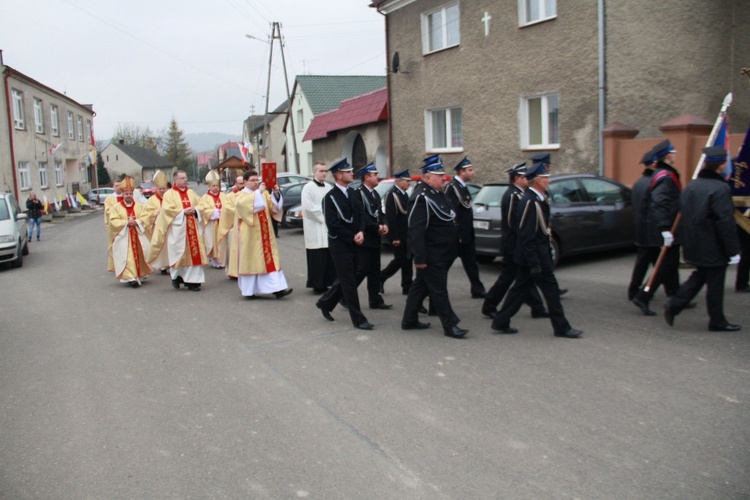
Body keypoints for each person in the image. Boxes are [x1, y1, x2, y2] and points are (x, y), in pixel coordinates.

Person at [490, 156, 582, 338]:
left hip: (533, 256)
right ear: (538, 181)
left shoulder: (538, 199)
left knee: (519, 290)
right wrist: (534, 263)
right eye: (546, 178)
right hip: (535, 256)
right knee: (551, 291)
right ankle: (561, 327)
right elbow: (527, 235)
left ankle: (500, 321)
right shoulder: (530, 202)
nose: (549, 181)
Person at [664, 146, 741, 331]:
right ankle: (717, 321)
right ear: (721, 166)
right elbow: (724, 222)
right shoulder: (720, 188)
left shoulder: (692, 186)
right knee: (714, 284)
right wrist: (733, 250)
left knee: (700, 275)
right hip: (713, 245)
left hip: (694, 242)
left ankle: (675, 303)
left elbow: (683, 213)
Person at [402, 155, 467, 338]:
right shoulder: (421, 197)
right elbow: (416, 231)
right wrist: (420, 258)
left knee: (420, 287)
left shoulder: (438, 194)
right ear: (427, 177)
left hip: (443, 252)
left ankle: (409, 320)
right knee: (439, 290)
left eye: (443, 175)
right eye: (439, 176)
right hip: (432, 254)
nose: (443, 179)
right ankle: (450, 325)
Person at [481, 162, 547, 319]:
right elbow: (512, 224)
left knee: (524, 278)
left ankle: (537, 307)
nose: (527, 180)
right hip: (513, 244)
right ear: (517, 178)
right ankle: (489, 305)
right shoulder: (512, 195)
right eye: (524, 177)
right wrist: (519, 244)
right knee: (508, 277)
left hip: (519, 245)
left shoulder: (520, 194)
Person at [315, 158, 373, 330]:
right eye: (348, 172)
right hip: (340, 246)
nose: (352, 174)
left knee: (349, 277)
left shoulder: (353, 193)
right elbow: (334, 225)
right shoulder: (330, 198)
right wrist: (352, 236)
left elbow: (361, 215)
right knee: (349, 282)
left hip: (356, 242)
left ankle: (325, 302)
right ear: (339, 175)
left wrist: (361, 231)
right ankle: (359, 319)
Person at [632, 140, 682, 315]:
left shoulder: (666, 174)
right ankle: (643, 295)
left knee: (668, 265)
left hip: (668, 227)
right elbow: (659, 203)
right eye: (673, 151)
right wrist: (664, 228)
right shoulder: (664, 176)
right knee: (665, 266)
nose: (676, 154)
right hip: (666, 228)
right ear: (668, 156)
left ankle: (675, 296)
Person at [226, 170, 292, 298]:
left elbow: (274, 209)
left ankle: (278, 289)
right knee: (252, 261)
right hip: (249, 234)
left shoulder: (263, 193)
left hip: (265, 234)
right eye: (252, 180)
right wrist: (258, 193)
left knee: (270, 261)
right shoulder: (240, 195)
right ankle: (249, 291)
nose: (256, 183)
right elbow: (244, 208)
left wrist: (276, 193)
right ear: (245, 182)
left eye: (257, 180)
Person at [148, 170, 208, 291]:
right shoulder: (169, 194)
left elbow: (203, 205)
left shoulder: (191, 193)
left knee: (194, 253)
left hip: (192, 230)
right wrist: (182, 212)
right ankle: (177, 277)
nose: (185, 180)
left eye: (186, 178)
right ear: (175, 180)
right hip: (178, 230)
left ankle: (194, 281)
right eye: (182, 178)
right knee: (178, 254)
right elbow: (166, 210)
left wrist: (195, 210)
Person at [444, 157, 486, 298]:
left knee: (471, 263)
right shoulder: (452, 188)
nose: (473, 172)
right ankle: (428, 288)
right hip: (458, 236)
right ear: (462, 172)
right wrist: (458, 235)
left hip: (466, 234)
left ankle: (477, 289)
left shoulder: (462, 187)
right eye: (470, 170)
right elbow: (452, 212)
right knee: (444, 265)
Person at [353, 162, 390, 309]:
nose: (377, 177)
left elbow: (380, 212)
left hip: (375, 237)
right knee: (361, 270)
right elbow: (361, 217)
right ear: (367, 177)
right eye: (375, 175)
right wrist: (377, 227)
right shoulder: (358, 194)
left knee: (374, 270)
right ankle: (343, 295)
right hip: (366, 238)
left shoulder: (374, 193)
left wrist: (385, 223)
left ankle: (375, 300)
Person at [627, 146, 662, 302]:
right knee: (649, 263)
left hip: (642, 229)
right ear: (654, 164)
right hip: (651, 231)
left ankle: (674, 291)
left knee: (658, 263)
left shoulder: (639, 182)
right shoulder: (654, 183)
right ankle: (635, 292)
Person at [107, 176, 153, 287]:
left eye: (130, 193)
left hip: (138, 234)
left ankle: (139, 274)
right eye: (126, 194)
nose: (128, 196)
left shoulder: (139, 206)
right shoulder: (116, 208)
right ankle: (131, 277)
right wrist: (126, 223)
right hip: (124, 236)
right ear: (122, 194)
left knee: (141, 253)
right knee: (126, 255)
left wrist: (137, 221)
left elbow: (146, 217)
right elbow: (113, 221)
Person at [301, 161, 336, 293]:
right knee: (317, 256)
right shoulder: (308, 188)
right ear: (314, 172)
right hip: (314, 225)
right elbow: (308, 207)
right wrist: (325, 215)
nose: (323, 173)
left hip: (327, 227)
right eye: (320, 171)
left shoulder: (329, 187)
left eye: (325, 171)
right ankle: (317, 284)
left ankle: (329, 282)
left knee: (327, 255)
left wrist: (331, 215)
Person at [379, 169, 414, 295]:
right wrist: (394, 237)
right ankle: (381, 278)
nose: (409, 183)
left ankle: (407, 285)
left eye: (409, 181)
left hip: (406, 234)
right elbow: (391, 217)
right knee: (399, 260)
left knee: (408, 260)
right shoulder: (392, 195)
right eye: (406, 181)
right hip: (398, 234)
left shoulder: (404, 194)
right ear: (399, 181)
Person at [142, 170, 170, 274]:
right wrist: (156, 213)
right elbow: (146, 215)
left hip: (169, 227)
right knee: (161, 246)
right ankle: (162, 265)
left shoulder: (170, 198)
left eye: (164, 188)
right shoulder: (151, 200)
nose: (162, 190)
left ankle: (171, 263)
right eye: (160, 188)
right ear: (156, 189)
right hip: (157, 228)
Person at [201, 170, 228, 269]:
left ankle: (223, 259)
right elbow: (203, 210)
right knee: (213, 242)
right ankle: (215, 260)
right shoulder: (205, 198)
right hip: (212, 224)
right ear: (209, 187)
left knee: (223, 241)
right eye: (213, 186)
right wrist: (215, 212)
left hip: (223, 223)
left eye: (217, 186)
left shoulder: (224, 196)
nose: (215, 188)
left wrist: (224, 212)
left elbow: (228, 207)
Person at [104, 179, 123, 272]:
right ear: (113, 187)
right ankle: (116, 264)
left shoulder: (126, 196)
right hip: (114, 227)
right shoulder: (109, 199)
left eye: (120, 185)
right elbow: (108, 211)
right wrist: (119, 212)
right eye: (116, 186)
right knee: (116, 246)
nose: (118, 188)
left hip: (125, 226)